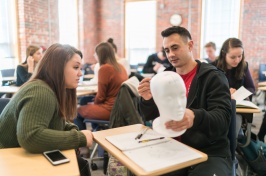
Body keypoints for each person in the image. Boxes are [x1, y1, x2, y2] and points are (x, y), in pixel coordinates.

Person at [138, 26, 232, 175]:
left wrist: (195, 117)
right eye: (167, 50)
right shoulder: (165, 77)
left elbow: (223, 120)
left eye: (175, 48)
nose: (171, 54)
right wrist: (148, 99)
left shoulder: (213, 77)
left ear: (190, 45)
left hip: (208, 152)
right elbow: (150, 116)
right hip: (171, 146)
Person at [0, 43, 93, 176]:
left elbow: (53, 120)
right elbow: (30, 136)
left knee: (78, 164)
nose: (80, 73)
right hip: (8, 161)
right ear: (58, 68)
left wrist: (70, 128)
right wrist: (79, 138)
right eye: (76, 67)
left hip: (17, 155)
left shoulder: (49, 89)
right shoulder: (41, 91)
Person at [75, 42, 128, 130]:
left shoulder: (105, 69)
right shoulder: (121, 66)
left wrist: (94, 103)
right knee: (85, 100)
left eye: (96, 53)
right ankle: (97, 129)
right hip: (120, 108)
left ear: (100, 55)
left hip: (110, 109)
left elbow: (101, 96)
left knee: (76, 111)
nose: (94, 55)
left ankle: (84, 139)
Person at [212, 38, 255, 138]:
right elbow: (208, 90)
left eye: (240, 56)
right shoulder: (212, 67)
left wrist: (240, 93)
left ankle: (231, 152)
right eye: (232, 57)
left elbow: (251, 88)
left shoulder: (243, 66)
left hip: (237, 109)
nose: (237, 60)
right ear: (224, 54)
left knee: (234, 127)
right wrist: (225, 92)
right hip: (217, 108)